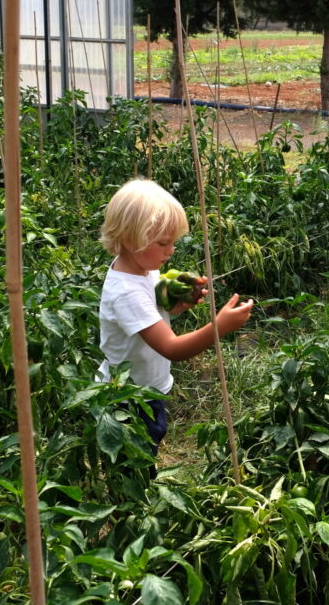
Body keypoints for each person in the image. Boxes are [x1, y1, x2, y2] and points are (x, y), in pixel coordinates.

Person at [98, 178, 253, 454]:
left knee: (147, 444)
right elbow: (172, 348)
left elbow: (150, 305)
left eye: (173, 242)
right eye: (163, 243)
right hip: (128, 399)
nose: (171, 250)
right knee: (135, 457)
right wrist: (220, 327)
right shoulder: (126, 293)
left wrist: (173, 302)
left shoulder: (140, 269)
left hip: (143, 388)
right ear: (129, 238)